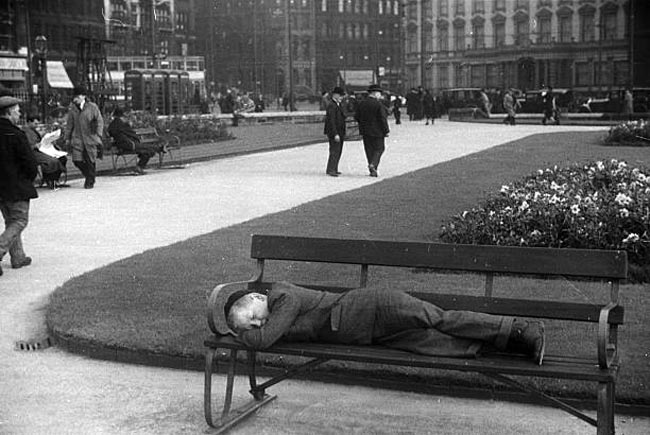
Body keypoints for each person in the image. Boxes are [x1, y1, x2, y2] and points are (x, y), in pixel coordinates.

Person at [212, 281, 546, 365]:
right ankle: (511, 346)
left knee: (439, 319)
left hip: (375, 307)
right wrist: (247, 329)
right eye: (253, 326)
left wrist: (241, 333)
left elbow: (264, 340)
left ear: (258, 299)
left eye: (253, 320)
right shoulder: (276, 318)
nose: (258, 326)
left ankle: (520, 329)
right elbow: (268, 335)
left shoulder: (281, 297)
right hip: (370, 335)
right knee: (437, 344)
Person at [0, 96, 38, 276]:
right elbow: (30, 163)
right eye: (17, 111)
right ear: (8, 113)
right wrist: (28, 179)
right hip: (16, 185)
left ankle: (18, 257)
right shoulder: (16, 134)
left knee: (11, 221)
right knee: (20, 221)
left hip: (1, 187)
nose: (20, 113)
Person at [64, 86, 104, 189]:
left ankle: (90, 180)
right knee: (77, 161)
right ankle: (89, 176)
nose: (74, 99)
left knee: (90, 160)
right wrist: (67, 138)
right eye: (74, 97)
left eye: (77, 97)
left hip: (91, 137)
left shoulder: (92, 107)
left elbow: (99, 121)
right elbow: (69, 125)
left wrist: (98, 134)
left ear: (83, 96)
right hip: (77, 138)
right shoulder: (73, 109)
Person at [107, 107, 156, 175]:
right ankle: (139, 166)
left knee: (146, 149)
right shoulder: (122, 124)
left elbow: (112, 135)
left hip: (121, 145)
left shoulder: (112, 125)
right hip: (129, 144)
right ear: (122, 115)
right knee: (149, 149)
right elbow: (131, 133)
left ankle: (140, 166)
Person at [22, 114, 67, 188]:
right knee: (52, 161)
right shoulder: (24, 131)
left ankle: (54, 179)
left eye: (37, 123)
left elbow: (40, 141)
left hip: (42, 150)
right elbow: (26, 146)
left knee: (62, 157)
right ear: (29, 122)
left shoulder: (33, 131)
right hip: (33, 152)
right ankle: (50, 180)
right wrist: (35, 145)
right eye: (35, 123)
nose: (37, 125)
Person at [355, 84, 389, 177]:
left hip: (365, 130)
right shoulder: (378, 104)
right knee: (379, 148)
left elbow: (357, 116)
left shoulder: (362, 103)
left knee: (369, 149)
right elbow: (382, 118)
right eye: (379, 93)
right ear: (375, 93)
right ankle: (373, 164)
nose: (380, 95)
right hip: (378, 131)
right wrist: (386, 130)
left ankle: (372, 169)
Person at [323, 87, 347, 177]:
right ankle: (331, 169)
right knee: (334, 150)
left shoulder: (338, 104)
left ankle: (334, 168)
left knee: (338, 150)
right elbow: (331, 121)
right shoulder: (332, 105)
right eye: (340, 95)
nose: (342, 97)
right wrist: (335, 134)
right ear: (335, 95)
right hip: (335, 132)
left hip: (340, 131)